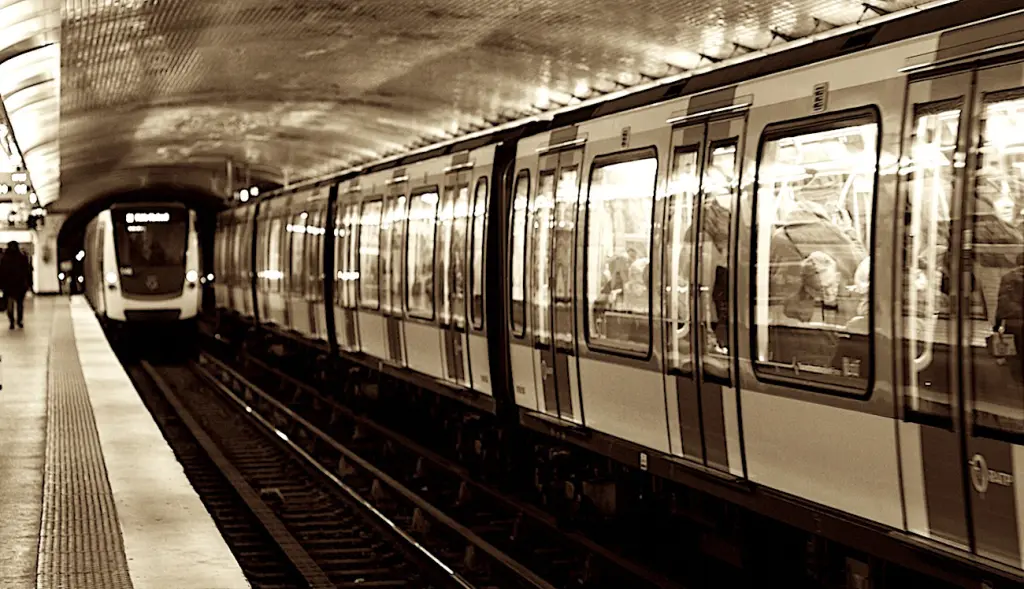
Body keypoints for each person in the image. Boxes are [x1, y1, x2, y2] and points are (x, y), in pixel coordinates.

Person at [0, 241, 32, 329]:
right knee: (20, 304)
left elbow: (1, 272)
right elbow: (27, 271)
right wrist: (29, 283)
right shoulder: (22, 257)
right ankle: (19, 320)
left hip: (8, 286)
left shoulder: (4, 258)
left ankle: (12, 321)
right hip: (20, 285)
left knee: (9, 305)